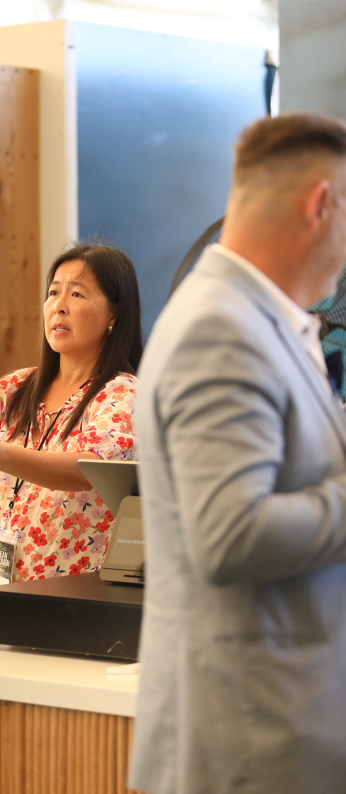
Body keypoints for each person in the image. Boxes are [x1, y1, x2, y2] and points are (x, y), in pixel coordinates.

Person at [129, 113, 346, 794]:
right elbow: (230, 535)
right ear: (321, 205)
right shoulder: (219, 329)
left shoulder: (258, 320)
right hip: (251, 743)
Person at [0, 242, 143, 583]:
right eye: (53, 292)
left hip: (79, 597)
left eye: (77, 294)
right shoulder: (17, 387)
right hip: (8, 593)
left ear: (114, 313)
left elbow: (90, 469)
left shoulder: (123, 392)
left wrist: (1, 455)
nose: (59, 306)